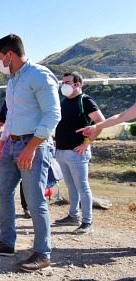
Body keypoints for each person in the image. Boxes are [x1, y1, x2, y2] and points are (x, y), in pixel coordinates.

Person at [0, 34, 61, 272]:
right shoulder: (13, 80)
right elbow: (12, 117)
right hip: (11, 145)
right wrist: (4, 142)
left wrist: (32, 147)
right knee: (2, 193)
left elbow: (53, 115)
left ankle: (43, 254)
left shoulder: (40, 75)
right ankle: (6, 242)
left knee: (35, 201)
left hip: (32, 146)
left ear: (9, 54)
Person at [54, 72, 105, 234]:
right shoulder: (63, 101)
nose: (64, 85)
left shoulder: (85, 101)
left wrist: (86, 143)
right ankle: (72, 215)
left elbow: (100, 123)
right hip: (61, 152)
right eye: (63, 82)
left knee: (82, 187)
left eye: (68, 82)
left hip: (77, 153)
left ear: (77, 84)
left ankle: (87, 222)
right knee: (71, 186)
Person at [0, 101, 30, 218]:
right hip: (9, 143)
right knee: (3, 180)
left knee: (26, 179)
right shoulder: (8, 102)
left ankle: (28, 207)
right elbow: (2, 124)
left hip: (25, 143)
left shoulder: (28, 100)